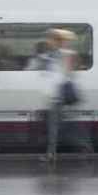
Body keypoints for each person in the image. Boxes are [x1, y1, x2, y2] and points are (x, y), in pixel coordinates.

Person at [38, 28, 79, 164]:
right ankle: (53, 153)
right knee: (56, 126)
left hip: (58, 95)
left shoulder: (63, 54)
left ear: (56, 41)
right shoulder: (53, 54)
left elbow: (66, 73)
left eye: (50, 39)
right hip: (54, 94)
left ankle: (51, 154)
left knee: (54, 126)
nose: (48, 41)